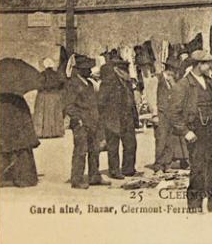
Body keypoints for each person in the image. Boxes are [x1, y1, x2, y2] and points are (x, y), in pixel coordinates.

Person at [171, 50, 212, 212]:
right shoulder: (183, 84)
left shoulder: (208, 82)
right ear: (198, 65)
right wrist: (185, 131)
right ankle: (194, 205)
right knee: (198, 169)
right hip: (195, 130)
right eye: (207, 63)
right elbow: (173, 112)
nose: (209, 66)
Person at [63, 55, 110, 189]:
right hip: (81, 124)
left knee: (94, 150)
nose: (89, 71)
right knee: (81, 151)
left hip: (92, 122)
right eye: (86, 69)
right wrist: (77, 120)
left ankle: (94, 176)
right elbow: (69, 105)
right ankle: (76, 180)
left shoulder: (88, 83)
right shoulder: (72, 84)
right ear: (79, 70)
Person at [99, 54, 140, 179]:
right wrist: (104, 117)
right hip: (113, 118)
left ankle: (128, 169)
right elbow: (101, 101)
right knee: (113, 146)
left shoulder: (127, 82)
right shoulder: (108, 82)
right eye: (123, 68)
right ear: (117, 69)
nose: (126, 71)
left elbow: (131, 100)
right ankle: (114, 170)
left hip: (127, 117)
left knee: (131, 143)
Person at [153, 58, 188, 173]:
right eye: (173, 70)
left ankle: (167, 165)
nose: (175, 73)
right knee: (161, 140)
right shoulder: (156, 79)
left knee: (170, 140)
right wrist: (154, 114)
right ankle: (158, 165)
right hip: (161, 113)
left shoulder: (173, 81)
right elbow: (152, 97)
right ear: (169, 69)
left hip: (170, 114)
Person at [0, 91, 40, 187]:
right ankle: (22, 176)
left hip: (1, 108)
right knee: (21, 146)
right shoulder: (18, 98)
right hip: (16, 108)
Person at [32, 58, 66, 138]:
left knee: (44, 114)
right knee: (54, 113)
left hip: (44, 96)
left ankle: (43, 132)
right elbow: (62, 84)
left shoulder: (42, 74)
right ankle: (56, 132)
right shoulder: (57, 74)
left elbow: (38, 84)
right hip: (55, 95)